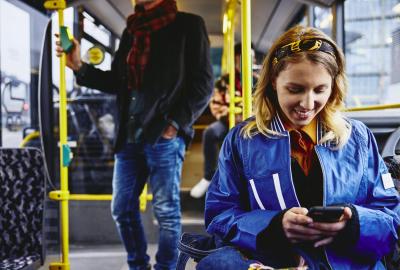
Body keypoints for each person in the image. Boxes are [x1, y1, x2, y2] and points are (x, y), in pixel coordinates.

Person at [200, 25, 400, 269]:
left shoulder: (358, 138)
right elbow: (220, 216)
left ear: (333, 86)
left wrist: (354, 224)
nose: (307, 103)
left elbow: (392, 219)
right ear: (274, 81)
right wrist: (274, 225)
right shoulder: (242, 142)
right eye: (295, 89)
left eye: (320, 90)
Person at [56, 0, 213, 269]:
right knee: (122, 208)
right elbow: (118, 81)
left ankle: (165, 267)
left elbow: (203, 84)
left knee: (165, 211)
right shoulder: (132, 31)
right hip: (128, 136)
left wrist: (175, 124)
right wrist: (79, 67)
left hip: (163, 135)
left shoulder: (188, 26)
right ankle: (138, 264)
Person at [190, 43, 257, 198]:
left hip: (254, 124)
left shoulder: (259, 81)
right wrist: (232, 115)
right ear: (236, 59)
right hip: (228, 121)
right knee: (210, 132)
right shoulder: (225, 81)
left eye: (251, 58)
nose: (249, 61)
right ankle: (208, 176)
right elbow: (216, 104)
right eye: (244, 58)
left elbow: (264, 106)